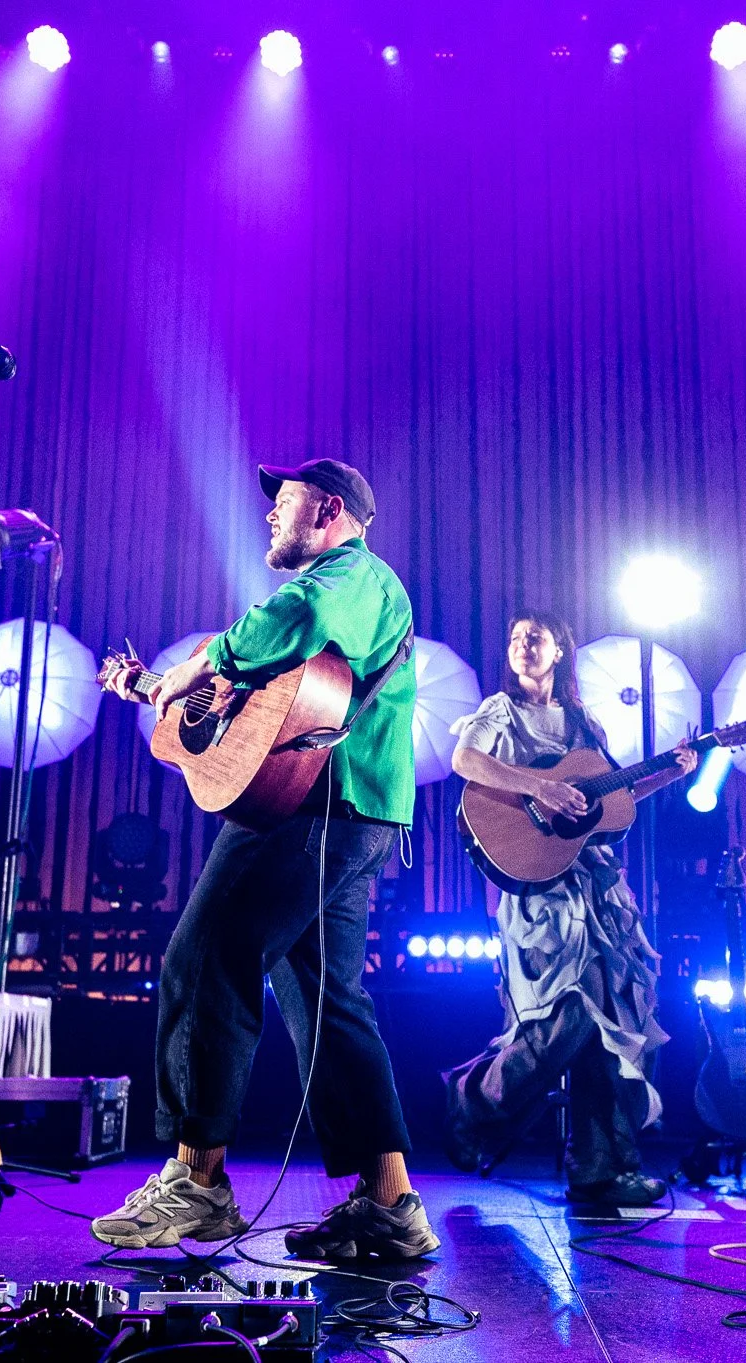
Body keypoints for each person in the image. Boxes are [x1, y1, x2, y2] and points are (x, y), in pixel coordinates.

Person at [91, 459, 438, 1261]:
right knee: (329, 1003)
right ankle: (391, 1202)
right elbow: (274, 674)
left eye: (282, 506)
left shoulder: (354, 575)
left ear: (326, 508)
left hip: (314, 802)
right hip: (339, 809)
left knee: (208, 955)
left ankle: (198, 1179)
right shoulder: (347, 586)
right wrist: (160, 690)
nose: (271, 519)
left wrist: (194, 667)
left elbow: (297, 614)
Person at [441, 612, 695, 1206]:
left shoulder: (584, 722)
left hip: (598, 890)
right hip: (541, 894)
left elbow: (611, 801)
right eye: (513, 637)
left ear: (560, 649)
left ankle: (603, 1168)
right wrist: (538, 786)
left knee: (614, 1023)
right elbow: (465, 762)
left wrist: (670, 773)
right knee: (567, 1018)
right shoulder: (498, 714)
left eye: (535, 636)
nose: (522, 644)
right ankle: (474, 1099)